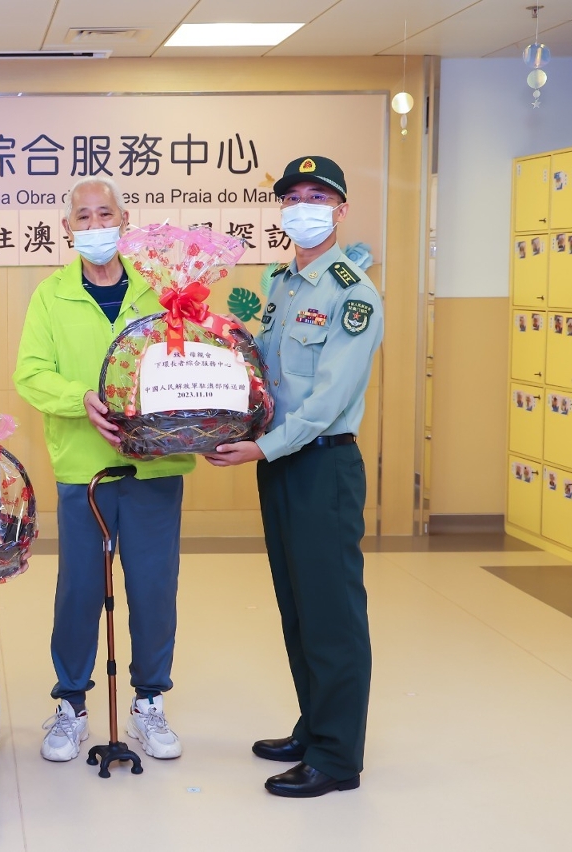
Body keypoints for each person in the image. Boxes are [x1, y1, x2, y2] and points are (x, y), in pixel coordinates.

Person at [207, 156, 384, 798]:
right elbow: (267, 377)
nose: (302, 207)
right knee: (298, 606)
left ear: (340, 210)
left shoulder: (352, 293)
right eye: (292, 198)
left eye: (317, 197)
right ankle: (314, 728)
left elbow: (327, 401)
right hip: (281, 462)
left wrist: (261, 448)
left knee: (331, 613)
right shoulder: (282, 284)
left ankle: (336, 757)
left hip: (322, 465)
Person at [13, 175, 193, 764]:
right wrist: (81, 398)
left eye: (105, 214)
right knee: (80, 590)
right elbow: (31, 374)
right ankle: (71, 704)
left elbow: (192, 363)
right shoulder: (51, 295)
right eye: (83, 217)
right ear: (67, 228)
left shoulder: (161, 290)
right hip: (83, 469)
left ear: (124, 221)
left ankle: (149, 700)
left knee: (154, 588)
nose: (95, 226)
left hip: (154, 465)